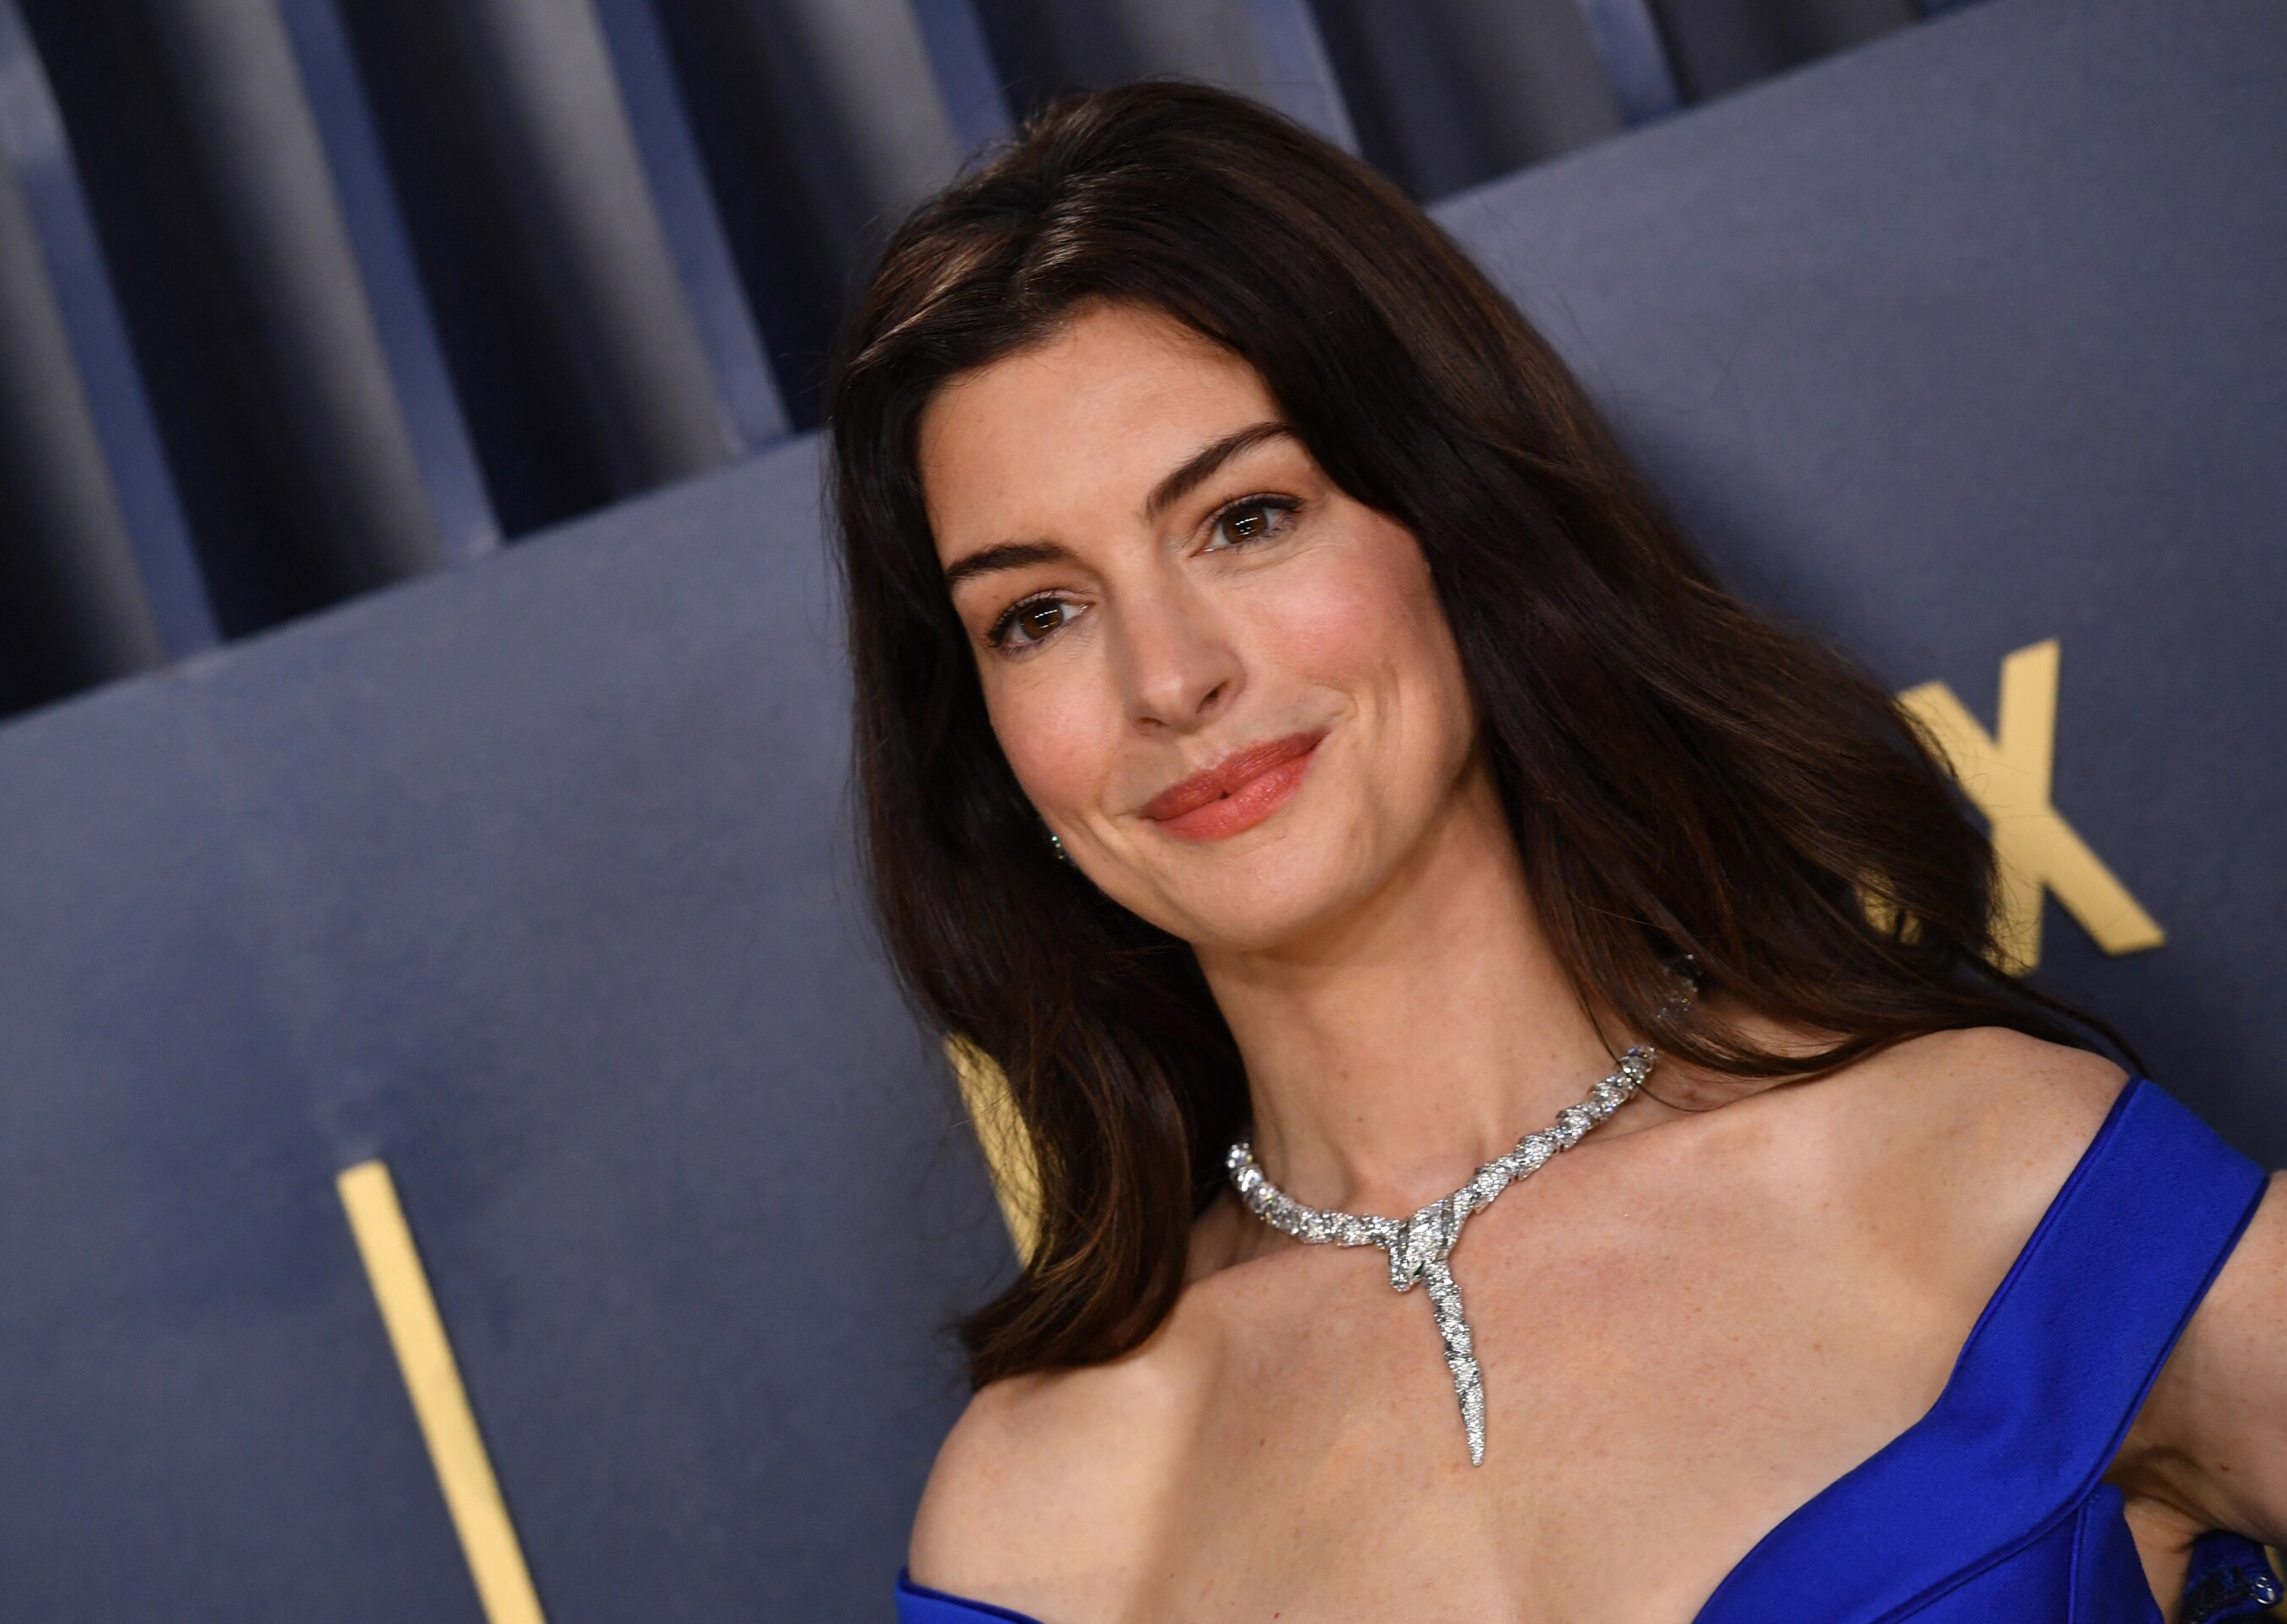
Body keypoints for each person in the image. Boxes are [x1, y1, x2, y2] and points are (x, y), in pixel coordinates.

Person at [825, 83, 2285, 1623]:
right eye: (1038, 614)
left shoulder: (2004, 1187)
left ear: (1458, 529)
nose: (1170, 677)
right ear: (987, 743)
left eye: (1245, 518)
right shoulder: (1040, 1514)